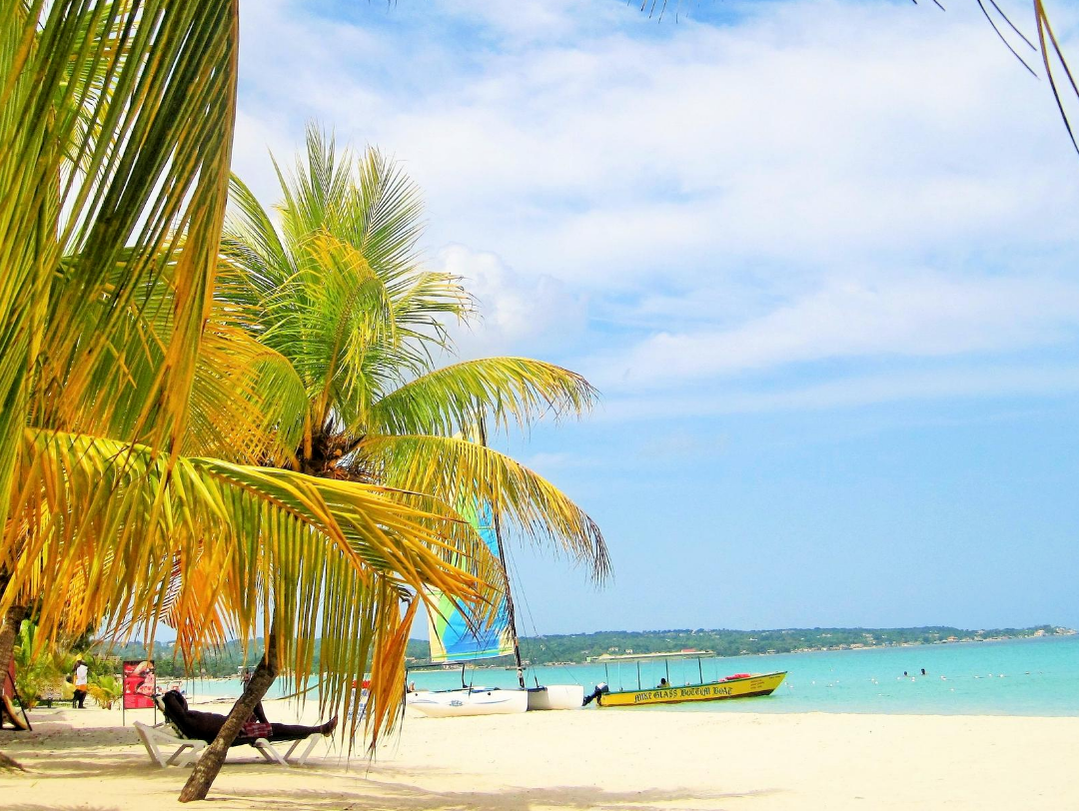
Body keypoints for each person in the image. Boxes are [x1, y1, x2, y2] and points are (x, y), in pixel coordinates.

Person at [160, 690, 336, 744]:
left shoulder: (186, 718)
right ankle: (320, 729)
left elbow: (173, 699)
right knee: (278, 727)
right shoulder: (187, 720)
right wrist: (172, 694)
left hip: (232, 725)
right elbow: (169, 697)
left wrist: (176, 696)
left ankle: (267, 727)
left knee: (251, 699)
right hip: (236, 732)